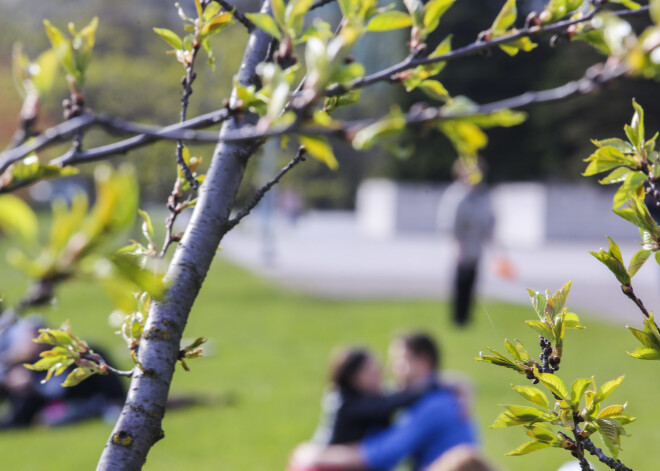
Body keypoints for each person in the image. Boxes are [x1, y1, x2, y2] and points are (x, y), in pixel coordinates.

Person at [290, 333, 478, 471]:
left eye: (399, 362)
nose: (391, 370)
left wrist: (320, 454)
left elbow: (386, 454)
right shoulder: (428, 396)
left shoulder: (433, 404)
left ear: (423, 363)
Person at [312, 347, 430, 446]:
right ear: (353, 377)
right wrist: (430, 385)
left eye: (378, 367)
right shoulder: (347, 403)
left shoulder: (365, 396)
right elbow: (388, 404)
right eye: (370, 370)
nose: (379, 374)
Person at [437, 160, 495, 326]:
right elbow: (451, 222)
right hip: (461, 245)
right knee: (460, 282)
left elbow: (489, 218)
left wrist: (490, 235)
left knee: (473, 281)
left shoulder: (482, 194)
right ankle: (458, 317)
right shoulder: (457, 195)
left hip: (476, 244)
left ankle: (467, 316)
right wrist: (457, 245)